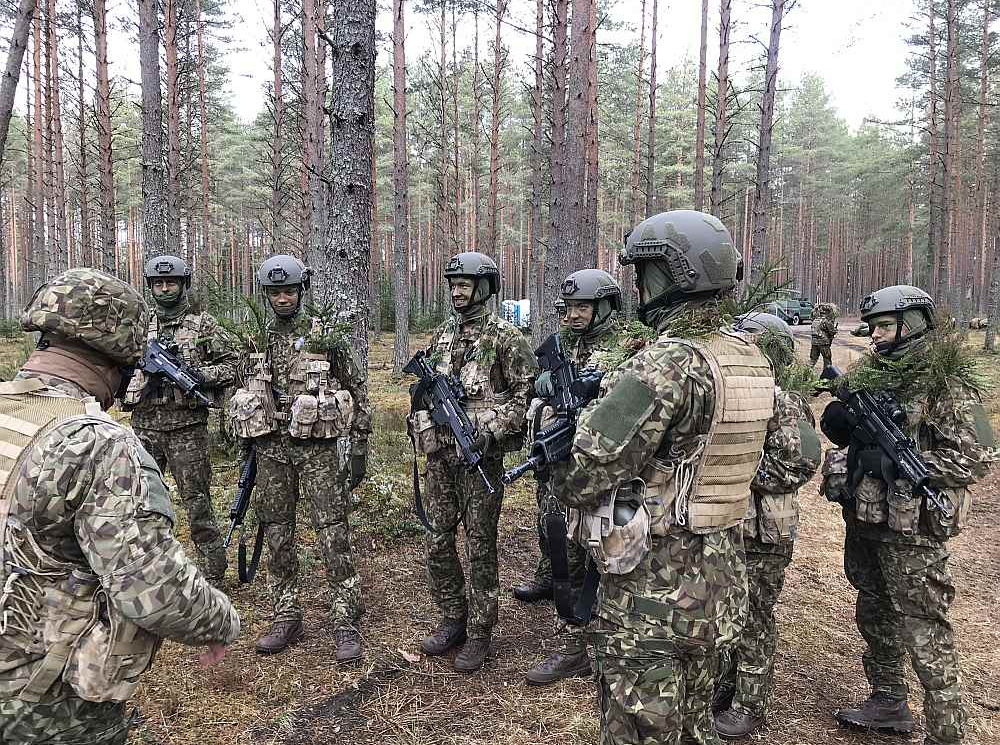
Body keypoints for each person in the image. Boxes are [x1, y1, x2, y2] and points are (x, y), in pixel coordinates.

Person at [550, 210, 775, 744]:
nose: (638, 287)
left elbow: (587, 471)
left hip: (654, 591)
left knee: (639, 728)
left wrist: (566, 442)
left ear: (677, 275)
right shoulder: (749, 358)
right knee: (695, 726)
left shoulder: (667, 363)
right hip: (719, 584)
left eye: (646, 273)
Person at [0, 268, 239, 744]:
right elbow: (152, 586)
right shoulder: (97, 444)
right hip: (41, 703)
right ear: (120, 360)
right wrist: (219, 621)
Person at [820, 285, 995, 745]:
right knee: (873, 611)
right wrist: (843, 424)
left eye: (883, 327)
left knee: (925, 628)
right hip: (865, 519)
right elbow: (841, 410)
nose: (874, 336)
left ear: (912, 324)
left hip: (912, 529)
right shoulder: (873, 371)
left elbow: (980, 456)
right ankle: (888, 700)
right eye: (872, 327)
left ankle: (945, 732)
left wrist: (897, 462)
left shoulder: (946, 382)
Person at [228, 255, 372, 661]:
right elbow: (240, 396)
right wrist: (245, 449)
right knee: (277, 533)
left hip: (318, 454)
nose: (283, 297)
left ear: (301, 291)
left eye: (290, 290)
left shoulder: (325, 336)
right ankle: (286, 612)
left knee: (332, 531)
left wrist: (359, 445)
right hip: (271, 453)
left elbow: (357, 389)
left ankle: (345, 617)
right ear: (266, 294)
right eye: (276, 292)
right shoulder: (255, 340)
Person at [409, 252, 537, 672]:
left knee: (480, 545)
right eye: (453, 284)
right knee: (437, 540)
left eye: (466, 284)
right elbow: (426, 389)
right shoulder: (443, 335)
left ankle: (481, 631)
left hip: (480, 456)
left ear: (484, 288)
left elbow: (525, 398)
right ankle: (453, 618)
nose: (458, 291)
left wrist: (491, 431)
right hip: (440, 457)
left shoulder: (506, 338)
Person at [713, 312, 821, 739]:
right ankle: (725, 686)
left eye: (751, 341)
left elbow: (801, 464)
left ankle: (750, 702)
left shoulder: (786, 402)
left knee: (754, 613)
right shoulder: (741, 392)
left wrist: (738, 470)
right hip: (731, 521)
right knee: (725, 608)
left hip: (764, 531)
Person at [516, 269, 622, 686]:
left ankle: (593, 637)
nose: (574, 315)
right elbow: (533, 390)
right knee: (560, 541)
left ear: (604, 307)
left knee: (608, 552)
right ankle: (573, 639)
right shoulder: (560, 343)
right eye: (569, 308)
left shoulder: (624, 347)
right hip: (559, 459)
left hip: (602, 468)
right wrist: (540, 387)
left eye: (583, 307)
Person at [123, 254, 235, 584]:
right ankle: (142, 566)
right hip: (145, 426)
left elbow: (232, 365)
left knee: (197, 501)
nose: (165, 288)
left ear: (183, 284)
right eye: (158, 283)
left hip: (187, 429)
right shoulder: (140, 327)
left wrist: (199, 375)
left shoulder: (204, 325)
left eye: (171, 282)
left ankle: (213, 569)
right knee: (140, 500)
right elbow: (119, 364)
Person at [809, 302, 838, 369]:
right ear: (827, 313)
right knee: (827, 360)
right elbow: (832, 331)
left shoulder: (815, 320)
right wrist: (835, 329)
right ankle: (827, 377)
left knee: (812, 360)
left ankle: (806, 374)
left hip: (814, 343)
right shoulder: (826, 321)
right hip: (824, 343)